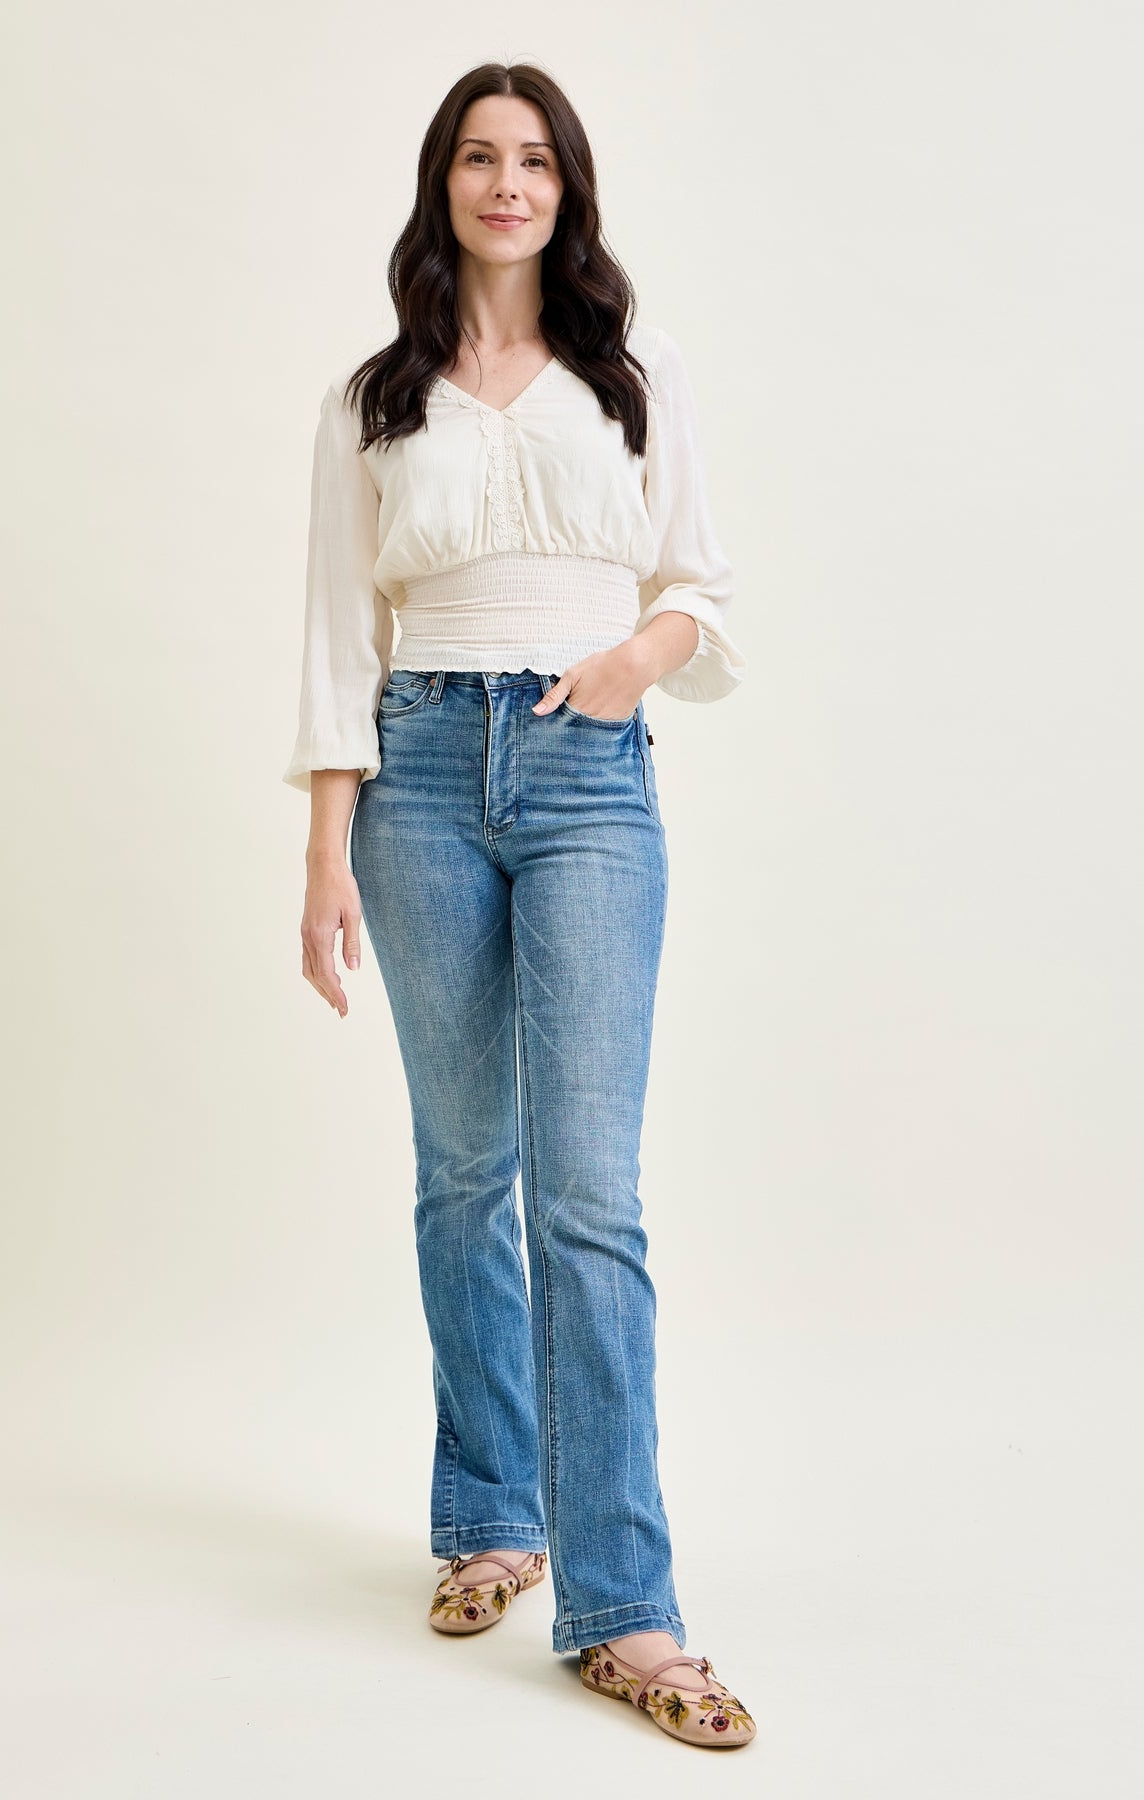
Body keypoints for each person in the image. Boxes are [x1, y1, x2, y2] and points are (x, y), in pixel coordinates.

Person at [283, 61, 757, 1751]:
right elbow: (337, 633)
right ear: (445, 185)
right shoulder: (375, 397)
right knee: (462, 1169)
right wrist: (324, 853)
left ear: (568, 188)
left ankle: (625, 1609)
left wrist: (632, 662)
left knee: (588, 1197)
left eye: (535, 159)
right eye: (480, 159)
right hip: (415, 775)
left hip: (584, 775)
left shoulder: (635, 369)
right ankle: (493, 1512)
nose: (507, 184)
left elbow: (698, 583)